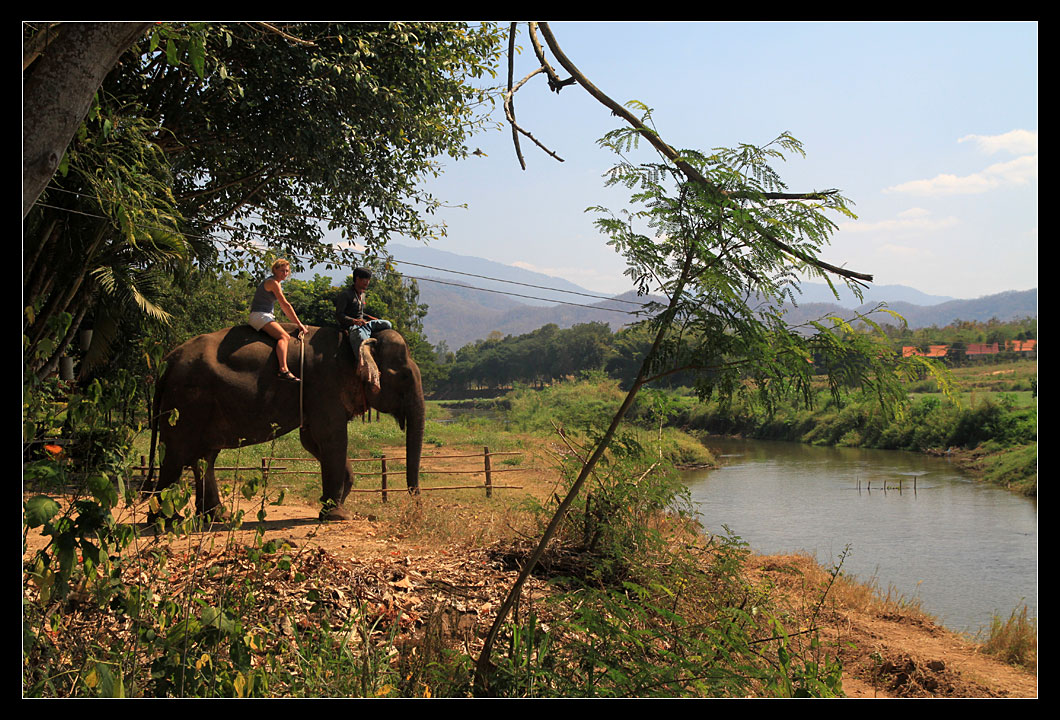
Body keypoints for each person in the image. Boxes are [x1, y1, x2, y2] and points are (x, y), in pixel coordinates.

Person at [248, 258, 308, 382]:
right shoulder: (273, 283)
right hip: (260, 315)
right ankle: (283, 370)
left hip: (264, 315)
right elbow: (285, 305)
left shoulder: (276, 283)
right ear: (274, 270)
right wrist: (299, 324)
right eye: (282, 271)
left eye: (287, 271)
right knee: (284, 337)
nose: (285, 273)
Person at [333, 267, 392, 358]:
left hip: (364, 323)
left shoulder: (362, 294)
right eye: (365, 279)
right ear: (357, 279)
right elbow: (339, 314)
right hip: (352, 326)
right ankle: (362, 361)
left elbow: (359, 312)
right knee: (361, 338)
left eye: (368, 279)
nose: (367, 282)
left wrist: (369, 317)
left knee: (387, 324)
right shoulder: (346, 295)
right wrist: (354, 321)